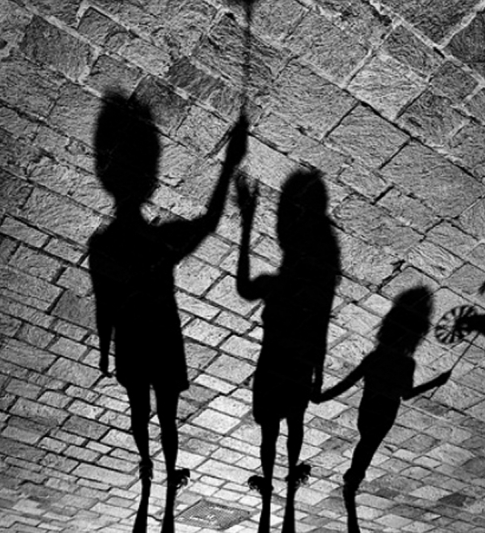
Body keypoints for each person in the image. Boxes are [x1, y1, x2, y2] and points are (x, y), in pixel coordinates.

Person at [89, 92, 247, 533]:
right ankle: (168, 474)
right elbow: (210, 221)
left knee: (139, 410)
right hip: (162, 337)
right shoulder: (161, 242)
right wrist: (229, 165)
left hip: (133, 340)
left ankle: (146, 465)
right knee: (167, 415)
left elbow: (104, 302)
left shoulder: (104, 244)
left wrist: (103, 351)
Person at [235, 169, 340, 533]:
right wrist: (319, 377)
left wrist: (247, 225)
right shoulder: (314, 284)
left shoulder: (277, 285)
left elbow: (244, 288)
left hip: (272, 367)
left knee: (271, 432)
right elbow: (321, 329)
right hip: (297, 366)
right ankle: (289, 486)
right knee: (295, 424)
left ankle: (269, 493)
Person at [314, 287, 450, 532]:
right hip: (386, 413)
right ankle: (352, 483)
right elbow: (407, 394)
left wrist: (324, 396)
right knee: (368, 445)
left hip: (369, 409)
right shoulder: (406, 364)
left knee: (366, 444)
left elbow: (348, 381)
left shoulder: (375, 357)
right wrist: (436, 382)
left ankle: (353, 480)